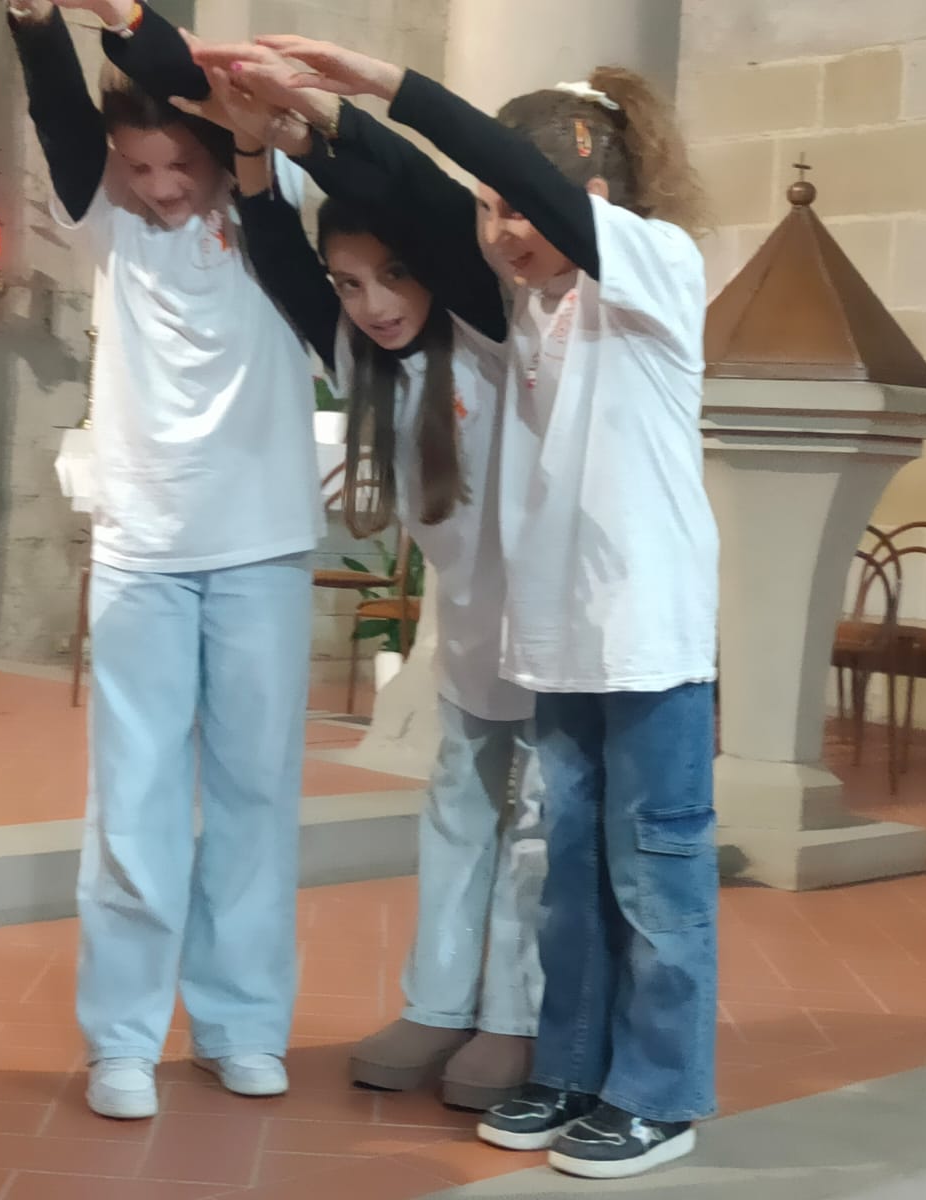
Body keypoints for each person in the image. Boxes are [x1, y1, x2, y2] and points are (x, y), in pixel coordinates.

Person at [243, 35, 719, 1181]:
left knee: (655, 878)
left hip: (646, 639)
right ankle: (571, 1066)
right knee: (569, 880)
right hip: (556, 642)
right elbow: (415, 210)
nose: (499, 230)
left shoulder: (653, 268)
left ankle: (659, 1095)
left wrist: (378, 87)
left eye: (518, 205)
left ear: (590, 194)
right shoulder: (529, 311)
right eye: (490, 212)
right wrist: (298, 137)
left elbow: (478, 177)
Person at [173, 50, 549, 1112]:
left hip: (550, 630)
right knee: (457, 811)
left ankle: (516, 1018)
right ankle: (439, 1002)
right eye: (349, 284)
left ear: (432, 268)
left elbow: (429, 202)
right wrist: (250, 150)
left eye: (391, 276)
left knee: (535, 830)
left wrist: (319, 120)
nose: (372, 303)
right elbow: (274, 252)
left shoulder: (487, 325)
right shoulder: (359, 354)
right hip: (470, 634)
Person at [6, 0, 321, 1121]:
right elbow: (57, 113)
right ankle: (124, 1039)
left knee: (254, 796)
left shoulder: (280, 207)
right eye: (138, 167)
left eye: (179, 164)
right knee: (132, 803)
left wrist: (129, 22)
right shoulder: (108, 217)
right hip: (143, 549)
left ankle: (241, 1024)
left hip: (262, 546)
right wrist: (35, 24)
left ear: (217, 147)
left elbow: (198, 83)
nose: (161, 188)